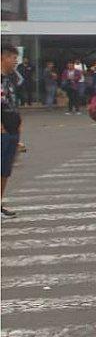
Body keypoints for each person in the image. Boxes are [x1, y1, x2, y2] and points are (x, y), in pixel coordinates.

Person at [1, 45, 21, 218]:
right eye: (13, 57)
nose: (15, 61)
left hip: (13, 128)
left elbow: (13, 102)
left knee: (5, 170)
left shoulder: (11, 78)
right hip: (2, 130)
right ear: (3, 57)